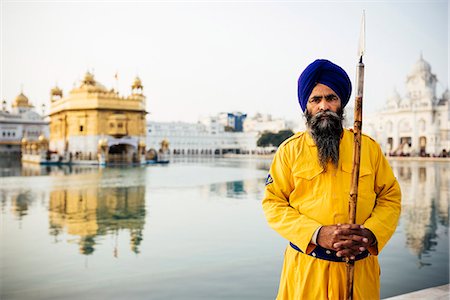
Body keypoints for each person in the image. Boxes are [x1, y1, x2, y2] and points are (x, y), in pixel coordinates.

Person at [262, 59, 401, 300]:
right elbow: (273, 204)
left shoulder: (367, 148)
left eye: (331, 98)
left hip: (358, 271)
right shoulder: (289, 151)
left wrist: (370, 234)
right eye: (316, 100)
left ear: (342, 104)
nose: (324, 106)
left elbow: (390, 197)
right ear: (306, 107)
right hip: (307, 271)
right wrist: (316, 234)